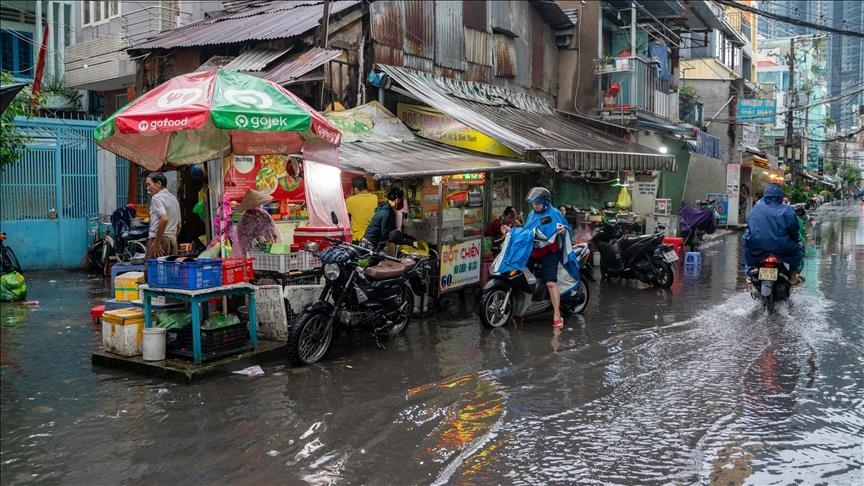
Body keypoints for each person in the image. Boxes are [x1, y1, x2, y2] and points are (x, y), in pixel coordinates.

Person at [503, 187, 571, 328]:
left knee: (550, 282)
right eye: (534, 203)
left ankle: (557, 314)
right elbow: (527, 232)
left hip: (549, 251)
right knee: (518, 272)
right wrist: (511, 231)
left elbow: (566, 228)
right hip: (534, 250)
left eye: (538, 203)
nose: (535, 205)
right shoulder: (532, 214)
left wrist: (563, 231)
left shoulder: (555, 213)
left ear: (545, 202)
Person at [742, 183, 804, 285]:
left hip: (757, 247)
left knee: (747, 250)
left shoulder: (756, 208)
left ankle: (749, 272)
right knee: (798, 252)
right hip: (782, 247)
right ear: (781, 196)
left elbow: (750, 226)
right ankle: (794, 274)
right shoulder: (787, 209)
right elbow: (794, 229)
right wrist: (797, 240)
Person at [145, 172, 181, 258]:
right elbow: (179, 225)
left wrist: (157, 242)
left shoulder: (156, 197)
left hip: (159, 240)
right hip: (173, 240)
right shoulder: (174, 199)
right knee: (170, 270)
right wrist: (172, 239)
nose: (147, 189)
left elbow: (164, 218)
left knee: (152, 270)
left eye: (149, 185)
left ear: (158, 184)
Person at [345, 176, 378, 243]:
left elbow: (346, 216)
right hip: (371, 236)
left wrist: (351, 196)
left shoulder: (350, 200)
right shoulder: (375, 198)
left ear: (356, 188)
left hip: (358, 238)